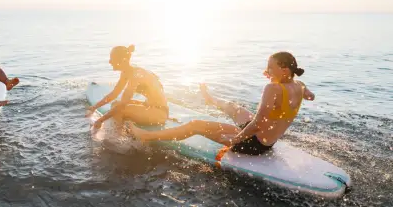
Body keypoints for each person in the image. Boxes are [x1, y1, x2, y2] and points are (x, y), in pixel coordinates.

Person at [130, 52, 315, 156]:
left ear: (284, 70)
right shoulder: (299, 85)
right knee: (236, 108)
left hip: (252, 143)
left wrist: (233, 140)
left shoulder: (272, 89)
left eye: (270, 68)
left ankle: (147, 137)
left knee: (196, 125)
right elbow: (309, 96)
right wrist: (282, 80)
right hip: (268, 141)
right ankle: (210, 99)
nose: (266, 71)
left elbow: (258, 122)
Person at [87, 45, 169, 131]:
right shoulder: (126, 72)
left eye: (112, 58)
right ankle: (120, 132)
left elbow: (123, 104)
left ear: (123, 60)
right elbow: (114, 94)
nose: (109, 61)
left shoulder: (136, 75)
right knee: (115, 104)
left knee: (120, 110)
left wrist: (100, 120)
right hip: (149, 106)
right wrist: (94, 107)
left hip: (159, 112)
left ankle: (117, 141)